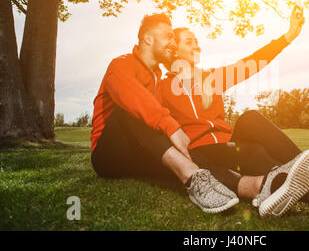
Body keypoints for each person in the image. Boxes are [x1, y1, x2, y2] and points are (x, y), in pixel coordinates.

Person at [159, 6, 309, 226]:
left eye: (197, 41)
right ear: (174, 49)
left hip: (227, 146)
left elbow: (252, 63)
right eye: (189, 42)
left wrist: (287, 36)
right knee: (254, 153)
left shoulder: (211, 78)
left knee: (250, 118)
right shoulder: (162, 87)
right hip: (201, 154)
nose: (197, 46)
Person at [90, 14, 241, 213]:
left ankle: (251, 186)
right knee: (133, 111)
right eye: (168, 37)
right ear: (148, 39)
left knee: (183, 153)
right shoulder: (121, 64)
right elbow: (133, 98)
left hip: (140, 151)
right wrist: (171, 126)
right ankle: (192, 177)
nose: (173, 43)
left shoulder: (158, 79)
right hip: (108, 152)